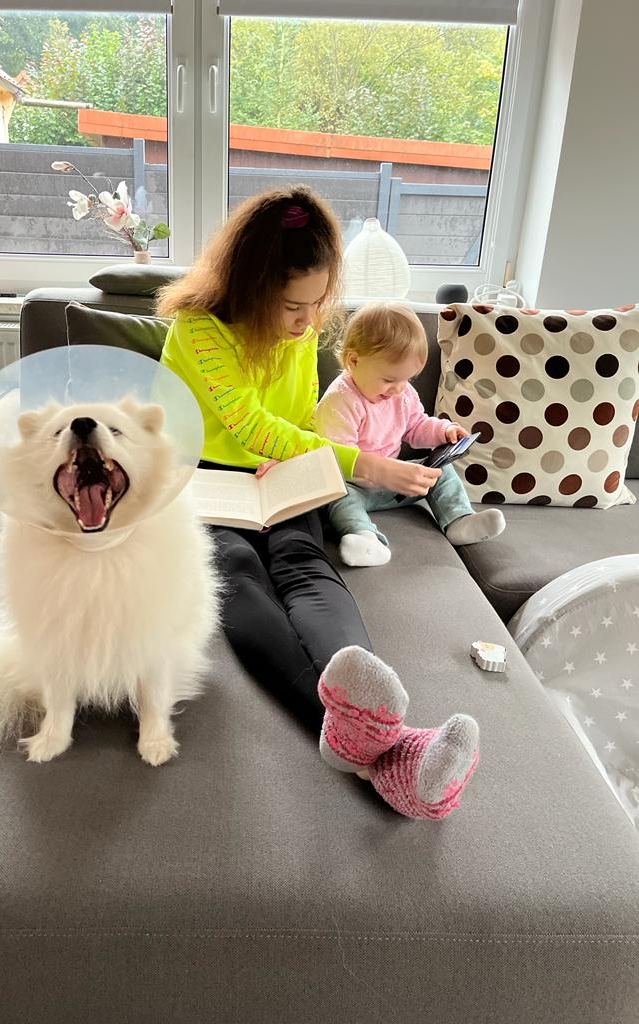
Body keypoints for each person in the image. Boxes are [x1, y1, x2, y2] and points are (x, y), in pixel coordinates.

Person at [157, 186, 479, 819]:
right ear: (250, 287)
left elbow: (301, 412)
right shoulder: (198, 329)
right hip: (200, 476)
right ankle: (382, 748)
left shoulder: (302, 329)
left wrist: (302, 461)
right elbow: (248, 423)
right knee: (237, 572)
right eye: (291, 307)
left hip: (282, 469)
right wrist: (367, 463)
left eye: (317, 303)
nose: (307, 322)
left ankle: (372, 732)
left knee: (304, 564)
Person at [315, 302, 506, 567]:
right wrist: (383, 473)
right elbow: (336, 459)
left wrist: (444, 431)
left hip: (397, 484)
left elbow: (416, 425)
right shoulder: (340, 401)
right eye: (389, 380)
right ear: (354, 361)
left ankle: (459, 519)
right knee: (338, 496)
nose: (398, 389)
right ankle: (364, 537)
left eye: (407, 379)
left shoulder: (402, 393)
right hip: (355, 486)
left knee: (440, 471)